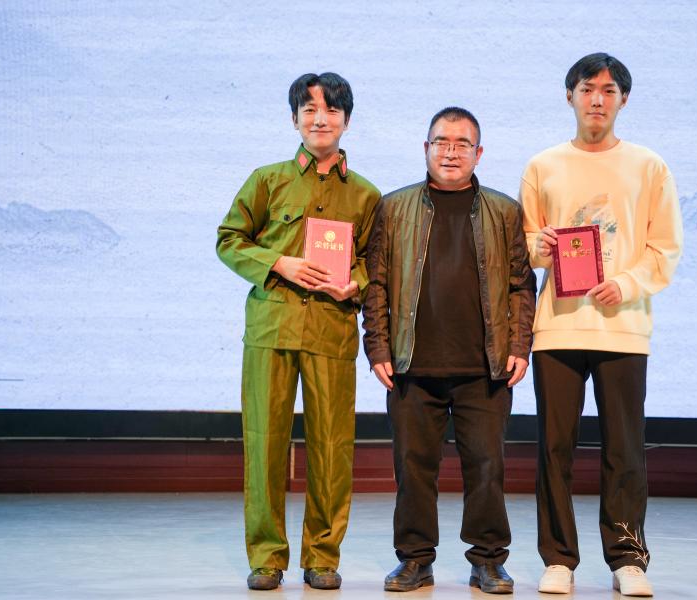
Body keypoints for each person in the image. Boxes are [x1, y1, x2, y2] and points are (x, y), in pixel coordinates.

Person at [518, 53, 683, 597]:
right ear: (569, 95)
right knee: (554, 449)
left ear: (623, 100)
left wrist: (627, 284)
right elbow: (525, 243)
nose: (597, 99)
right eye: (588, 89)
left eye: (609, 91)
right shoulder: (543, 165)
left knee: (624, 449)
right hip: (559, 327)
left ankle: (627, 558)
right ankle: (558, 559)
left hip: (623, 328)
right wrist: (539, 248)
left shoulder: (648, 166)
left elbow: (665, 248)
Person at [216, 72, 380, 591]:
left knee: (333, 447)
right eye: (309, 110)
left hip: (331, 330)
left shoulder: (367, 195)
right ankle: (267, 557)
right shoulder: (267, 180)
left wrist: (352, 283)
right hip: (272, 327)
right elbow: (228, 240)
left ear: (346, 120)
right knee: (264, 443)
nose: (320, 119)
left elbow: (375, 264)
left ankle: (322, 556)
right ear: (294, 120)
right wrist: (278, 262)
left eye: (331, 110)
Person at [362, 107, 535, 594]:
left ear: (479, 153)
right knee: (413, 469)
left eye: (463, 144)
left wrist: (520, 344)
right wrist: (377, 345)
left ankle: (489, 561)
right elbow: (375, 284)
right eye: (441, 141)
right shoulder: (393, 208)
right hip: (411, 365)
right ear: (426, 148)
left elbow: (522, 285)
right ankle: (415, 559)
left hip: (485, 367)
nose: (451, 152)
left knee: (488, 468)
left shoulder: (504, 211)